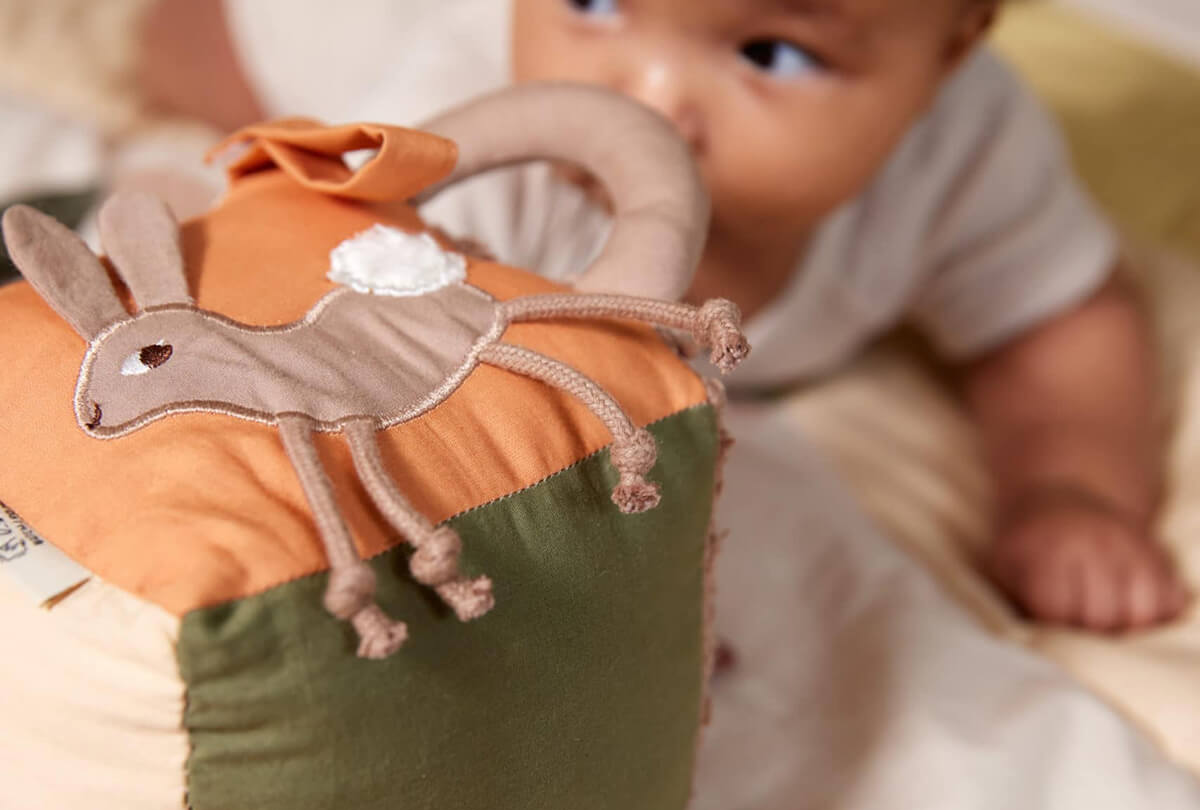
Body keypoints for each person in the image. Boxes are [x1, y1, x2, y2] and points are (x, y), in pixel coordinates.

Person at [138, 0, 1189, 632]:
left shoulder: (968, 145)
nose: (642, 98)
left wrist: (1070, 488)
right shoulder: (471, 152)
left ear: (950, 54)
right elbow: (379, 349)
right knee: (202, 61)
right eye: (596, 1)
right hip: (348, 26)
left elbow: (1060, 318)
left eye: (771, 52)